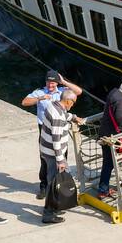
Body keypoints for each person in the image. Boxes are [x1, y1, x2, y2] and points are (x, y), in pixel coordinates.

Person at [22, 70, 80, 197]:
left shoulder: (63, 92)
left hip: (60, 126)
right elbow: (24, 102)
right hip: (45, 128)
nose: (50, 86)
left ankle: (59, 184)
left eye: (53, 83)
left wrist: (63, 81)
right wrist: (40, 98)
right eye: (48, 82)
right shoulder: (40, 92)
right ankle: (44, 186)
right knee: (46, 159)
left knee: (62, 155)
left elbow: (78, 92)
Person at [40, 88, 77, 224]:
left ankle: (54, 206)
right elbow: (56, 139)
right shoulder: (57, 117)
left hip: (46, 151)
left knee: (56, 180)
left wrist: (73, 117)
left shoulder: (54, 106)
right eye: (73, 102)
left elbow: (64, 115)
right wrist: (60, 160)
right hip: (53, 154)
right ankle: (48, 213)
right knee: (54, 183)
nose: (73, 105)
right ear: (67, 101)